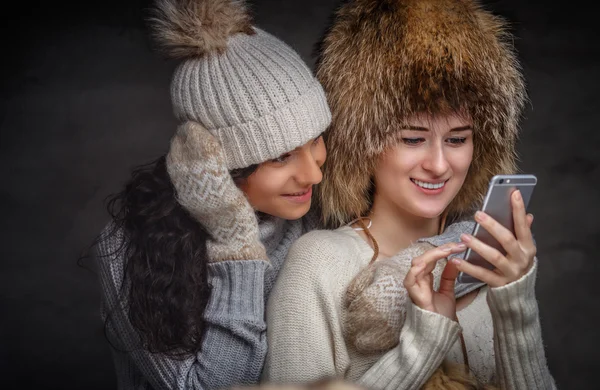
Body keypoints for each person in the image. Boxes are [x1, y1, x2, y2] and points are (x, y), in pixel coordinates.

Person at [263, 0, 556, 389]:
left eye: (457, 139)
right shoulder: (319, 265)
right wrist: (422, 344)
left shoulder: (487, 262)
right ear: (361, 144)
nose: (438, 164)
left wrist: (515, 305)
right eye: (413, 138)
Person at [93, 0, 331, 388]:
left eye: (316, 140)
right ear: (219, 163)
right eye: (280, 156)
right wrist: (235, 243)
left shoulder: (315, 214)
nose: (314, 173)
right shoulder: (127, 248)